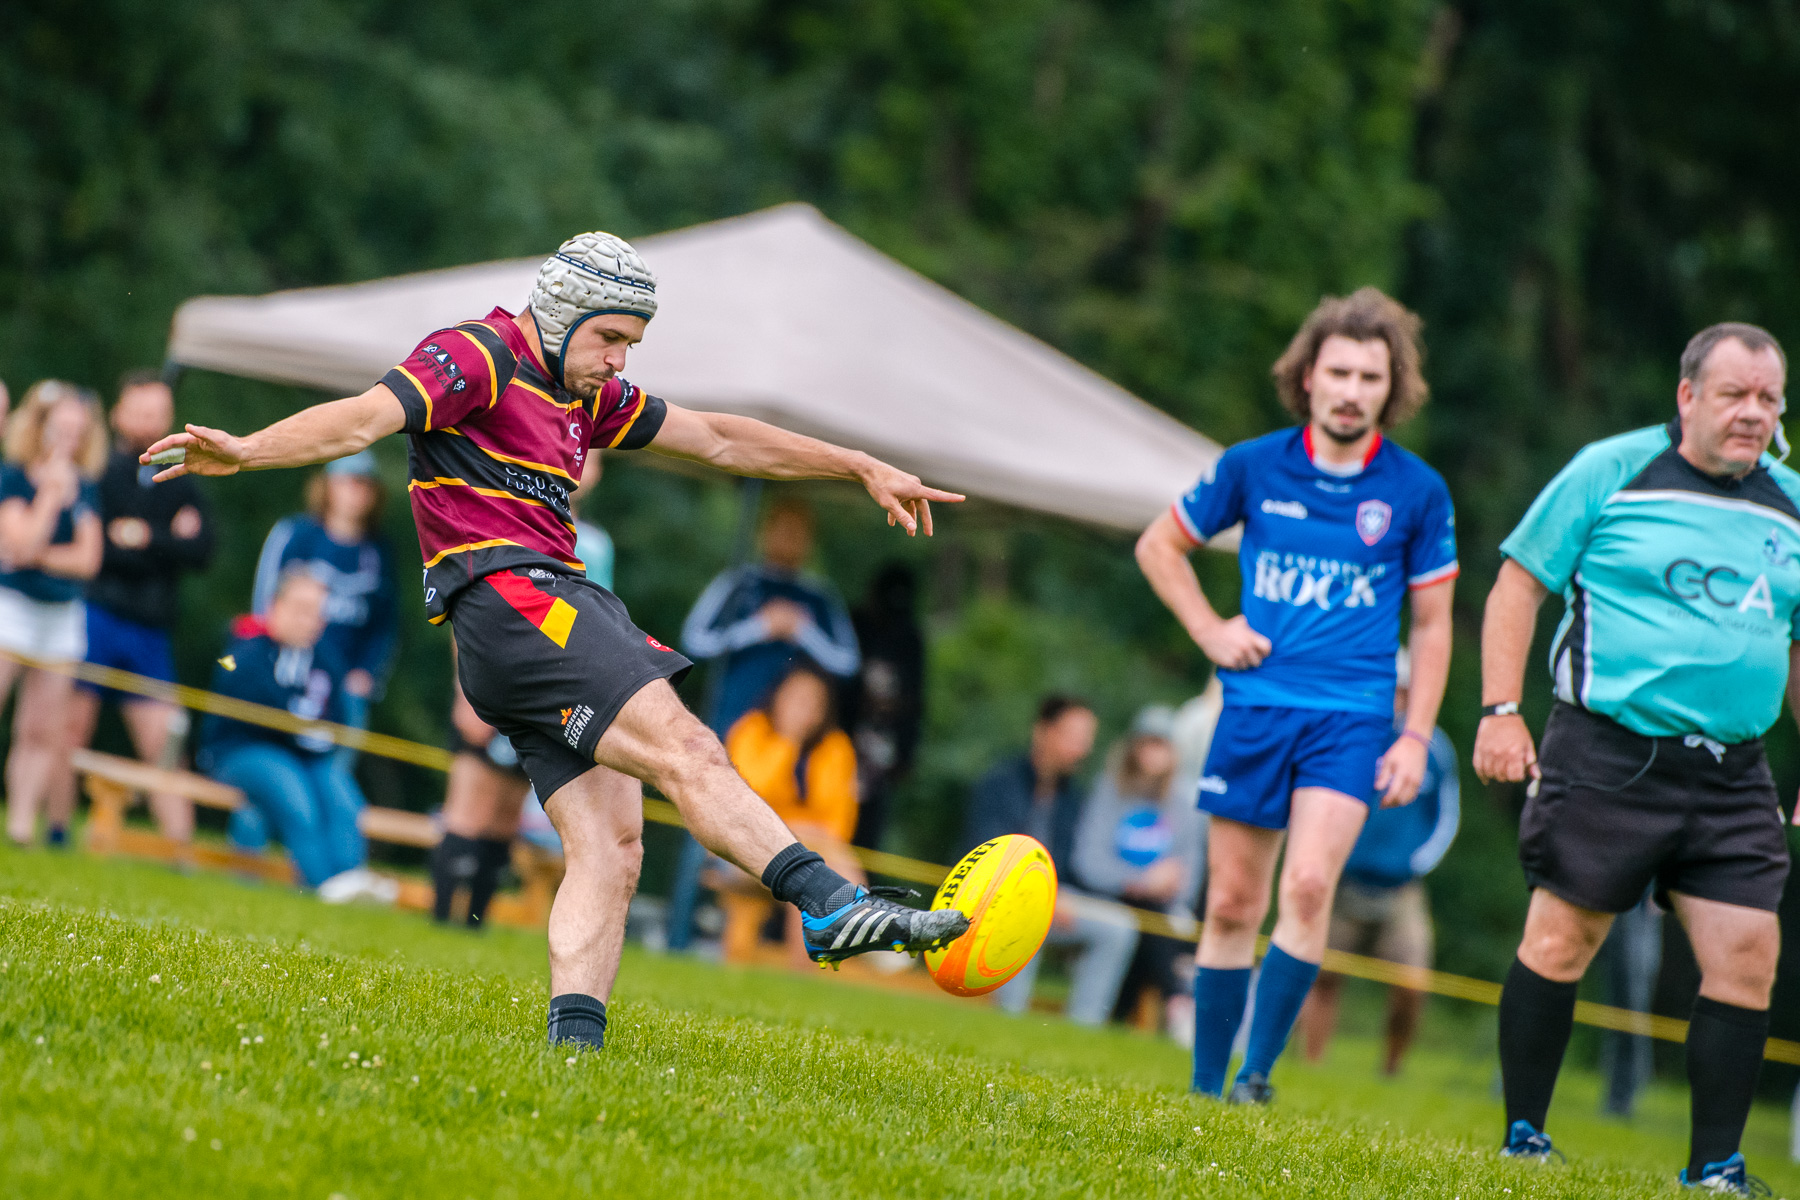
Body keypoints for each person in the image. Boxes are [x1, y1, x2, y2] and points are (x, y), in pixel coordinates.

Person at [144, 230, 969, 1053]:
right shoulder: (475, 355)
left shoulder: (587, 396)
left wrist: (855, 463)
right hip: (519, 601)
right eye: (610, 338)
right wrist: (249, 451)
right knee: (689, 749)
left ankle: (572, 1059)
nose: (618, 360)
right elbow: (360, 418)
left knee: (612, 847)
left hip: (531, 618)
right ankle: (830, 904)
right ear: (563, 313)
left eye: (630, 344)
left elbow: (719, 438)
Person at [1473, 322, 1795, 1193]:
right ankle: (1524, 1138)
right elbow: (1517, 586)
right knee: (1561, 937)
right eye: (1735, 395)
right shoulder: (1609, 470)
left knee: (1747, 956)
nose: (1753, 415)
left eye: (1769, 399)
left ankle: (1714, 1169)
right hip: (1609, 753)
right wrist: (1501, 712)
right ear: (1687, 396)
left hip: (1733, 771)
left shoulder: (1791, 504)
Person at [1135, 287, 1457, 1106]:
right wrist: (1210, 631)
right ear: (1307, 376)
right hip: (1254, 707)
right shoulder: (1252, 465)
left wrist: (1415, 736)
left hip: (1353, 717)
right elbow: (1160, 545)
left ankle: (1256, 1078)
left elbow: (1431, 625)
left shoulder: (1417, 491)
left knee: (1309, 886)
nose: (1353, 389)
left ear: (1393, 387)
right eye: (1339, 370)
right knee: (1236, 900)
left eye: (1370, 376)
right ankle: (1207, 1087)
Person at [668, 495, 862, 948]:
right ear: (765, 531)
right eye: (782, 528)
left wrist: (801, 631)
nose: (790, 540)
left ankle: (811, 938)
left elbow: (848, 663)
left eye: (800, 531)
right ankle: (684, 933)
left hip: (797, 743)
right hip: (731, 729)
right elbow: (694, 639)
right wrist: (760, 627)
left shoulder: (818, 597)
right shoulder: (740, 582)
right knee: (711, 822)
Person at [430, 454, 609, 928]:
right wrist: (462, 686)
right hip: (492, 671)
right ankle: (439, 920)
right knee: (468, 804)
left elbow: (595, 623)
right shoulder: (508, 516)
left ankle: (473, 925)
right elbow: (468, 604)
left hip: (547, 684)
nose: (581, 466)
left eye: (593, 458)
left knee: (507, 812)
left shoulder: (596, 545)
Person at [65, 370, 215, 848]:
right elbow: (95, 549)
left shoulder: (182, 475)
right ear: (119, 412)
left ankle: (181, 850)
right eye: (142, 411)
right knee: (68, 729)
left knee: (166, 745)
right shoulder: (99, 471)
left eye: (159, 413)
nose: (151, 422)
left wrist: (145, 536)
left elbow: (205, 549)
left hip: (151, 630)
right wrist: (169, 539)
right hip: (96, 616)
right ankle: (54, 831)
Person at [1296, 649, 1460, 1076]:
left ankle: (1391, 1068)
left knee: (1411, 984)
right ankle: (1310, 1065)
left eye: (1404, 689)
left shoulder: (1434, 748)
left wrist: (1414, 863)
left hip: (1402, 888)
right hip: (1344, 880)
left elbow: (1447, 815)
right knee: (1322, 978)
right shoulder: (1352, 736)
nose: (1397, 697)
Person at [201, 568, 388, 901]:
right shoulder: (244, 648)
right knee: (292, 796)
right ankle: (325, 887)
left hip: (305, 756)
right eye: (302, 609)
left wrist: (310, 732)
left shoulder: (326, 659)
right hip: (240, 751)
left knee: (343, 797)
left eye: (317, 613)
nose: (310, 621)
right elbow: (242, 697)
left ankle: (351, 880)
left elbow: (336, 718)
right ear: (276, 606)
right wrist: (302, 726)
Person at [965, 695, 1138, 1026]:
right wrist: (1043, 895)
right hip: (999, 902)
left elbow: (1076, 864)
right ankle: (1008, 1020)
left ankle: (1083, 1028)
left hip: (1059, 903)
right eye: (1074, 735)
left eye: (1088, 738)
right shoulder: (998, 783)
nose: (1083, 748)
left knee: (1120, 928)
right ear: (1043, 731)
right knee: (1025, 916)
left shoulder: (1075, 797)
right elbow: (986, 856)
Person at [0, 381, 105, 846]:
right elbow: (18, 544)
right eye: (61, 429)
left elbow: (88, 561)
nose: (69, 439)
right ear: (41, 427)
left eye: (76, 432)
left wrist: (36, 552)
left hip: (61, 616)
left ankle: (21, 825)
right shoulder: (16, 477)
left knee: (42, 729)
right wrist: (48, 498)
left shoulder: (87, 490)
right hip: (12, 606)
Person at [251, 448, 398, 769]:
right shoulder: (296, 535)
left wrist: (367, 673)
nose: (357, 492)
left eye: (366, 484)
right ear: (328, 485)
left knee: (333, 773)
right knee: (274, 762)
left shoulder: (377, 552)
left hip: (343, 686)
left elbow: (385, 624)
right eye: (349, 482)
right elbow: (264, 603)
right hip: (288, 672)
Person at [715, 660, 863, 964]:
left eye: (814, 703)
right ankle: (864, 917)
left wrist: (802, 833)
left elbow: (839, 824)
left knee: (811, 872)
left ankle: (811, 967)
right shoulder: (751, 731)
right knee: (816, 870)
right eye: (797, 699)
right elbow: (744, 799)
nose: (805, 709)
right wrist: (787, 741)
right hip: (746, 847)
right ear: (777, 697)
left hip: (816, 852)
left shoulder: (836, 747)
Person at [1073, 705, 1205, 1035]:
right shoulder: (1109, 789)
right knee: (1146, 922)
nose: (1153, 753)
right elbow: (1088, 861)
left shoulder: (1185, 803)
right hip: (1109, 895)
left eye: (1161, 744)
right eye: (1147, 743)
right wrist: (1138, 880)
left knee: (1156, 921)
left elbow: (1189, 874)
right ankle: (1177, 999)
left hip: (1160, 905)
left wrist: (1163, 884)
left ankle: (1122, 1017)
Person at [844, 562, 925, 850]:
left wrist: (905, 753)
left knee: (868, 831)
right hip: (845, 740)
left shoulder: (910, 638)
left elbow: (915, 699)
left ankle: (860, 892)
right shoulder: (856, 624)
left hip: (882, 754)